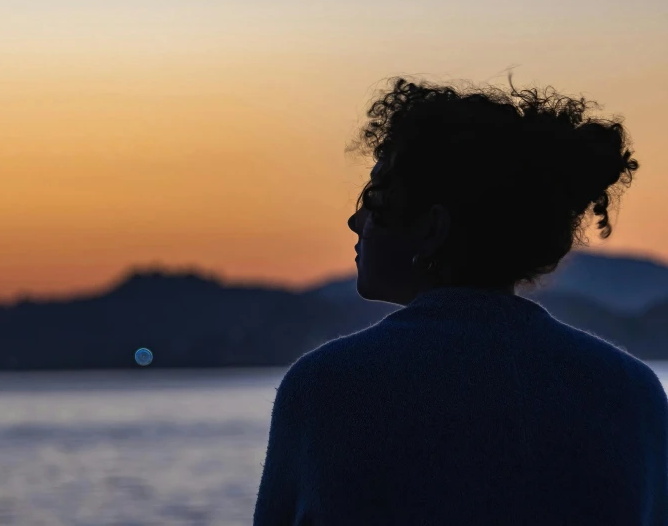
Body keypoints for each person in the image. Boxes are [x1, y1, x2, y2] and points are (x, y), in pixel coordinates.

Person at [253, 75, 668, 525]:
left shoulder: (328, 388)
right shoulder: (632, 391)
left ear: (433, 229)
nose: (357, 221)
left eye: (374, 198)